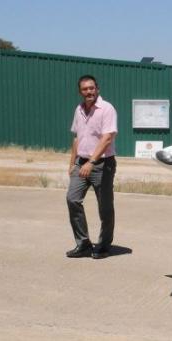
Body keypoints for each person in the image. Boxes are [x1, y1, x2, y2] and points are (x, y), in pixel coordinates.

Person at [66, 75, 118, 259]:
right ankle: (83, 244)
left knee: (104, 207)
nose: (89, 92)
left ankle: (104, 245)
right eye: (84, 89)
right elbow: (77, 137)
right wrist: (72, 163)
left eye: (91, 88)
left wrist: (92, 162)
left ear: (97, 89)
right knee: (72, 199)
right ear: (80, 91)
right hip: (81, 163)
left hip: (102, 164)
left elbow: (107, 138)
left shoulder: (106, 109)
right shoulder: (79, 110)